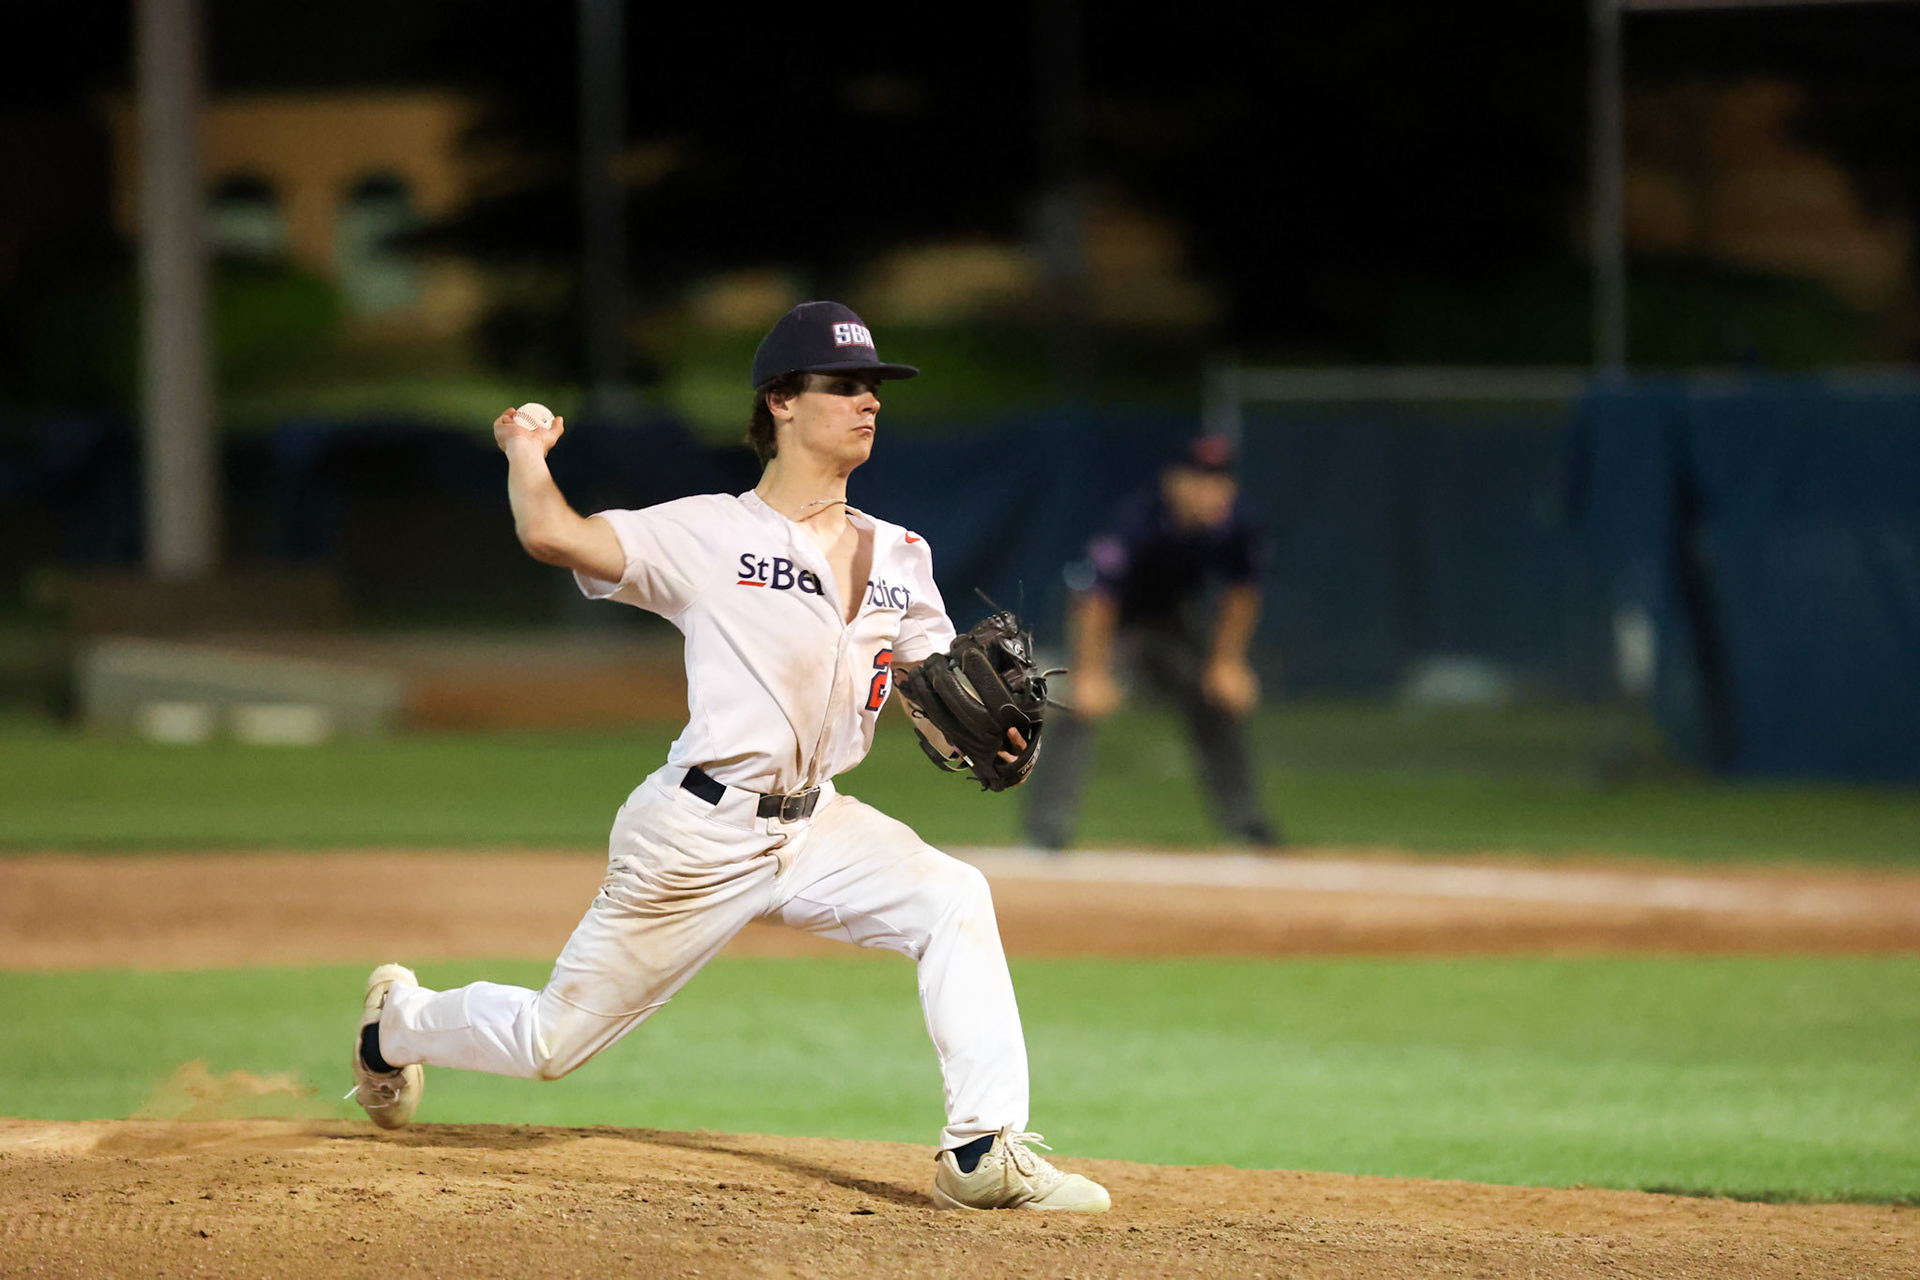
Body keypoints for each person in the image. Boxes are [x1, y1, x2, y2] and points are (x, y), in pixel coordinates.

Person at [347, 301, 1109, 1213]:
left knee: (953, 898)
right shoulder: (709, 534)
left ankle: (981, 1151)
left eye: (874, 388)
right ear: (781, 401)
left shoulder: (902, 553)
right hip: (699, 831)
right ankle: (396, 1025)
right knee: (551, 1045)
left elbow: (929, 690)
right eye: (844, 385)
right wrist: (525, 450)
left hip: (819, 824)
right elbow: (553, 534)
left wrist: (982, 736)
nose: (869, 402)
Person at [1024, 435, 1282, 850]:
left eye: (1220, 481)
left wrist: (1228, 662)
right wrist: (1092, 673)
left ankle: (1246, 823)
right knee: (1077, 705)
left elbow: (1243, 592)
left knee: (1217, 701)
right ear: (1173, 481)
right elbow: (1095, 598)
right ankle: (1046, 829)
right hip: (1115, 626)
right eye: (1199, 479)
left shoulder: (1236, 524)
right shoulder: (1137, 519)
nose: (1211, 491)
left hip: (1175, 626)